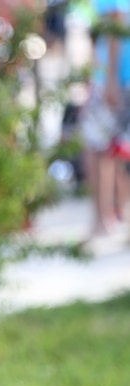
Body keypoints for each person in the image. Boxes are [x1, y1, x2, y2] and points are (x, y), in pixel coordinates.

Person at [80, 0, 130, 239]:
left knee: (97, 147)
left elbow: (115, 27)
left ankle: (103, 219)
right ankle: (112, 215)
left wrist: (110, 80)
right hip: (114, 77)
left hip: (118, 78)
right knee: (115, 150)